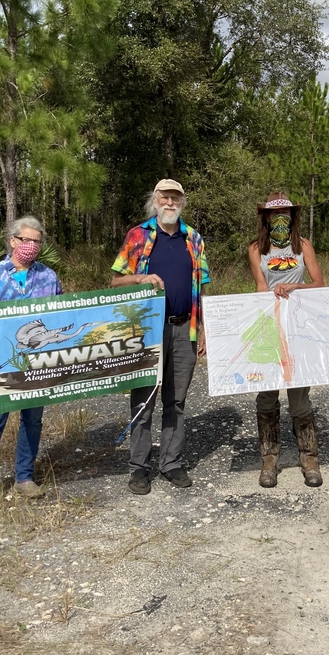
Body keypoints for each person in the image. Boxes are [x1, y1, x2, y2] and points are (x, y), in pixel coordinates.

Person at [111, 179, 209, 495]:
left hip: (185, 328)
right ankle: (139, 468)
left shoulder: (193, 238)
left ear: (182, 202)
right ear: (155, 200)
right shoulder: (138, 235)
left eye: (175, 198)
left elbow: (201, 286)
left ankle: (171, 463)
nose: (170, 202)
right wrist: (140, 278)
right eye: (165, 197)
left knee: (176, 400)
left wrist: (203, 328)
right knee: (143, 399)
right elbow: (115, 281)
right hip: (146, 330)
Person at [0, 216, 63, 515]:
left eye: (37, 242)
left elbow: (59, 312)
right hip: (4, 365)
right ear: (13, 240)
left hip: (38, 364)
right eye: (27, 240)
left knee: (32, 421)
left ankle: (24, 477)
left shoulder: (48, 276)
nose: (32, 246)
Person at [248, 192, 326, 488]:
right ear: (265, 217)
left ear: (293, 216)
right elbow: (259, 285)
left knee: (299, 394)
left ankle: (309, 458)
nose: (279, 218)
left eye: (285, 213)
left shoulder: (303, 245)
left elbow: (319, 283)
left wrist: (295, 285)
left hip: (299, 325)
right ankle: (269, 460)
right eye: (273, 214)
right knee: (267, 392)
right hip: (269, 324)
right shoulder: (256, 248)